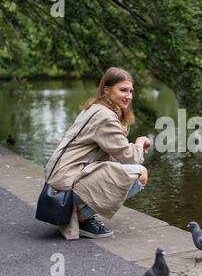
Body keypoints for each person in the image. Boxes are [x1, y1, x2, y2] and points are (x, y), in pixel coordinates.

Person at [44, 67, 150, 240]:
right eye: (123, 90)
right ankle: (81, 217)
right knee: (140, 174)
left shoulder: (94, 108)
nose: (128, 96)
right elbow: (131, 157)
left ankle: (79, 211)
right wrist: (139, 143)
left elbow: (117, 154)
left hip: (59, 177)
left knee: (119, 169)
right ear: (106, 90)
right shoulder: (106, 117)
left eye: (131, 91)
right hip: (66, 183)